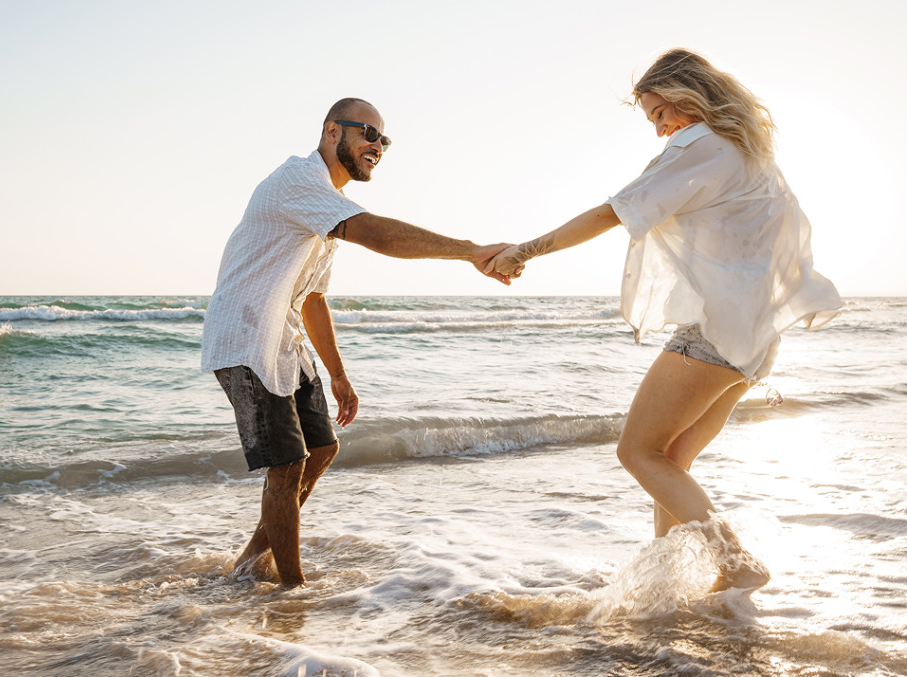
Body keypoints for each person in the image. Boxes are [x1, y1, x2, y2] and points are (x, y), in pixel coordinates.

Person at [487, 49, 842, 591]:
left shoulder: (699, 144)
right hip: (752, 338)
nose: (659, 130)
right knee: (672, 458)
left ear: (687, 98)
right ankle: (667, 582)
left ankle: (736, 561)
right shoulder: (753, 155)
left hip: (715, 333)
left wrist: (525, 250)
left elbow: (616, 210)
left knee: (637, 452)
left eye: (659, 114)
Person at [202, 97, 513, 586]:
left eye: (384, 140)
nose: (377, 146)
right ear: (332, 132)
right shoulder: (298, 181)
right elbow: (377, 236)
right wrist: (469, 251)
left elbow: (313, 299)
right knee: (286, 465)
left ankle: (248, 565)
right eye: (367, 133)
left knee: (322, 449)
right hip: (242, 333)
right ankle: (290, 591)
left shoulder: (325, 203)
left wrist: (339, 374)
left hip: (281, 333)